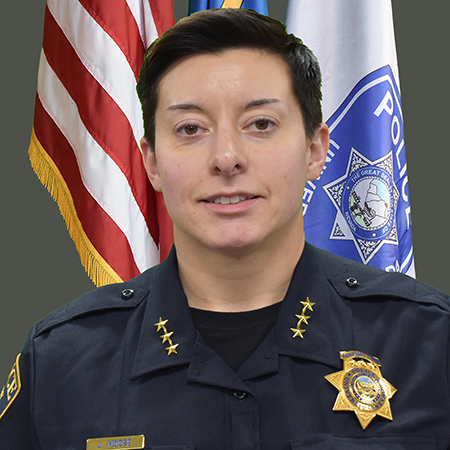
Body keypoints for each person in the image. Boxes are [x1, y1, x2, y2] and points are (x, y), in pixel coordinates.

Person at [1, 8, 449, 449]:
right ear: (152, 162)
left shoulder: (428, 341)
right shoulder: (60, 363)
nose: (226, 158)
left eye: (260, 124)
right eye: (191, 129)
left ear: (315, 150)